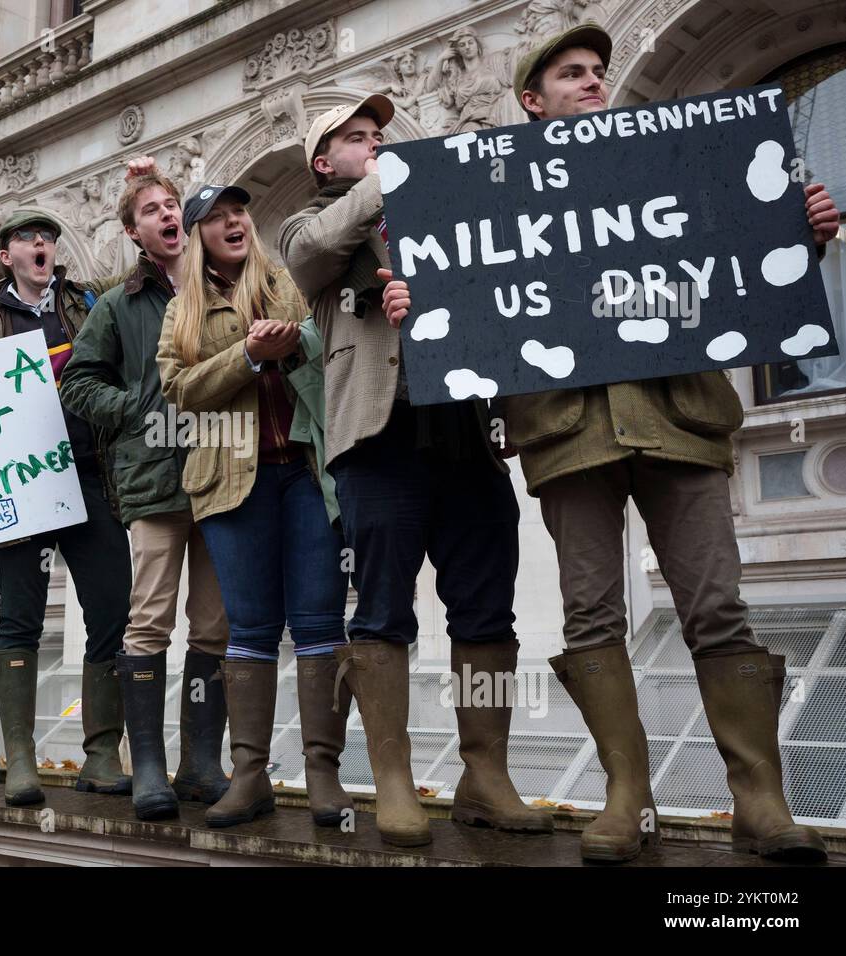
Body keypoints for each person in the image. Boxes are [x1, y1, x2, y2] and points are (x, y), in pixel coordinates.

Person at [380, 25, 838, 863]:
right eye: (571, 73)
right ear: (531, 98)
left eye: (598, 71)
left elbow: (725, 268)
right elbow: (466, 318)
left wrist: (791, 237)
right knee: (593, 613)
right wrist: (426, 310)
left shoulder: (662, 163)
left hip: (681, 420)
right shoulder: (488, 195)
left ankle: (759, 802)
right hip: (567, 432)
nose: (592, 81)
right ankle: (627, 795)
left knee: (715, 607)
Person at [278, 94, 551, 847]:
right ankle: (393, 781)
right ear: (323, 162)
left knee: (487, 610)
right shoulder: (310, 224)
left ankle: (486, 774)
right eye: (355, 139)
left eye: (380, 136)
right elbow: (311, 255)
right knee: (382, 613)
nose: (374, 145)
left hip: (464, 430)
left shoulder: (440, 210)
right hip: (377, 438)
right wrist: (390, 177)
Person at [156, 184, 353, 829]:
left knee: (321, 622)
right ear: (197, 236)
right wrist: (245, 355)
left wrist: (292, 344)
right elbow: (178, 390)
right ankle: (249, 775)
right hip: (229, 482)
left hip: (303, 470)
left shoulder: (288, 285)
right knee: (249, 631)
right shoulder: (180, 312)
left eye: (238, 212)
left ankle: (324, 773)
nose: (234, 221)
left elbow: (331, 353)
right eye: (216, 217)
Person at [0, 210, 134, 805]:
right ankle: (21, 758)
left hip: (91, 475)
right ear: (7, 256)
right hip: (22, 488)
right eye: (27, 239)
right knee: (20, 617)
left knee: (111, 608)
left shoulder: (88, 302)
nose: (41, 243)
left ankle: (101, 754)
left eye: (47, 236)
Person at [63, 161, 234, 822]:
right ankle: (150, 769)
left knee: (215, 622)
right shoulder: (118, 305)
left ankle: (201, 763)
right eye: (151, 210)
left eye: (172, 205)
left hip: (223, 474)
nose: (167, 215)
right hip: (155, 481)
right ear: (135, 232)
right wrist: (135, 406)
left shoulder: (225, 284)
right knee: (150, 618)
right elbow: (77, 382)